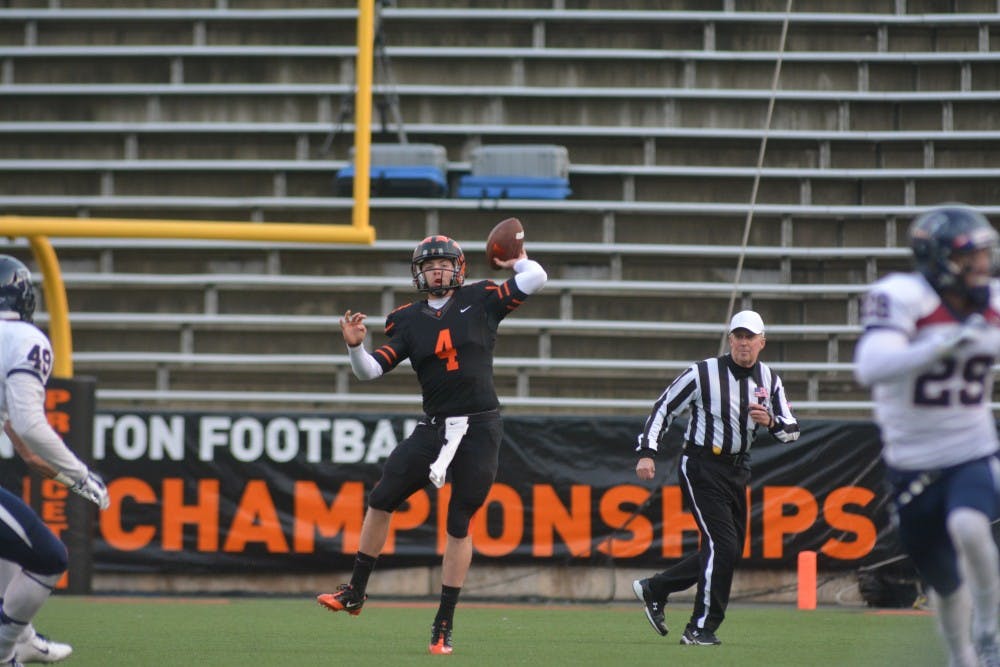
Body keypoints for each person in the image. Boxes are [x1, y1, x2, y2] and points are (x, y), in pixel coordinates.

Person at [316, 234, 547, 655]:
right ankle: (356, 592)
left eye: (443, 264)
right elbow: (369, 371)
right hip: (434, 427)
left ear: (459, 268)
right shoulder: (406, 319)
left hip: (479, 428)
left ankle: (444, 622)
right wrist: (355, 346)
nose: (436, 271)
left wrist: (514, 257)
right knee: (382, 497)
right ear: (418, 273)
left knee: (459, 523)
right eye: (429, 266)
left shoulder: (482, 298)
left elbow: (537, 276)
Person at [854, 204, 1000, 667]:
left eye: (983, 255)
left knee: (970, 525)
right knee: (945, 584)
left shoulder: (993, 301)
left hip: (970, 451)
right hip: (911, 463)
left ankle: (990, 629)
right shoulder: (902, 296)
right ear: (940, 260)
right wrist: (942, 344)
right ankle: (961, 655)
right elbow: (869, 366)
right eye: (969, 257)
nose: (982, 266)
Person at [631, 309, 799, 645]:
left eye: (750, 337)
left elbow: (792, 430)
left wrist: (770, 423)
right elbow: (664, 407)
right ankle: (700, 627)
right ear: (730, 339)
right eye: (738, 336)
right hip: (702, 464)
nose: (743, 343)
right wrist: (647, 451)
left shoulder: (770, 379)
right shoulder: (702, 372)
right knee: (722, 546)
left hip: (738, 468)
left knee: (728, 550)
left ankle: (656, 588)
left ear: (762, 342)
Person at [0, 255, 110, 666]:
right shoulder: (23, 337)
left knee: (11, 546)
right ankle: (5, 648)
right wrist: (79, 474)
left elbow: (13, 424)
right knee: (49, 558)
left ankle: (21, 638)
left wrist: (33, 456)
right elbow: (28, 423)